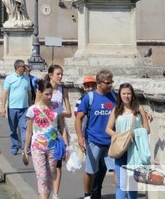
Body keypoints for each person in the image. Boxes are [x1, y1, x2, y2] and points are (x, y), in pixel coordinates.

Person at [75, 69, 117, 199]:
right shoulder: (90, 97)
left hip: (111, 141)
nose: (110, 85)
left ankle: (121, 194)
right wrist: (80, 139)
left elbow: (127, 109)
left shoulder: (115, 96)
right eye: (107, 83)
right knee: (90, 171)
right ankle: (88, 195)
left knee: (117, 169)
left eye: (111, 82)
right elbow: (78, 118)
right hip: (93, 140)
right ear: (99, 83)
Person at [105, 83, 151, 199]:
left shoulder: (139, 109)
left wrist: (136, 133)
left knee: (132, 184)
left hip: (134, 151)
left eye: (129, 93)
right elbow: (108, 129)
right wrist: (118, 136)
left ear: (132, 95)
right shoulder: (116, 110)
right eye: (124, 93)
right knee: (121, 184)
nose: (126, 96)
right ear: (120, 95)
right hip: (121, 150)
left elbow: (147, 129)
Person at [23, 78, 61, 199]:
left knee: (49, 178)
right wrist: (25, 150)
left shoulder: (55, 108)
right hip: (37, 147)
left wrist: (66, 144)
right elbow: (28, 131)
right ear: (39, 92)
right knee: (42, 177)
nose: (49, 97)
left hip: (52, 147)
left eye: (51, 94)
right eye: (46, 94)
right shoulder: (32, 109)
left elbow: (62, 126)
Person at [46, 64, 72, 197]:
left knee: (57, 164)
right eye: (58, 74)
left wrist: (59, 114)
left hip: (58, 129)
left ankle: (55, 194)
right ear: (51, 75)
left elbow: (69, 113)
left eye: (62, 74)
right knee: (47, 166)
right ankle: (46, 190)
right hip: (45, 130)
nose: (61, 77)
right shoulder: (44, 90)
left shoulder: (63, 91)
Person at [0, 59, 32, 155]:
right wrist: (3, 107)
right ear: (18, 67)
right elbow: (5, 93)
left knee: (24, 128)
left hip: (24, 108)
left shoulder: (27, 78)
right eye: (23, 66)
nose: (25, 67)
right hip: (12, 108)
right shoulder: (9, 78)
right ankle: (15, 146)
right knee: (13, 129)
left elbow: (29, 92)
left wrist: (30, 105)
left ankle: (24, 147)